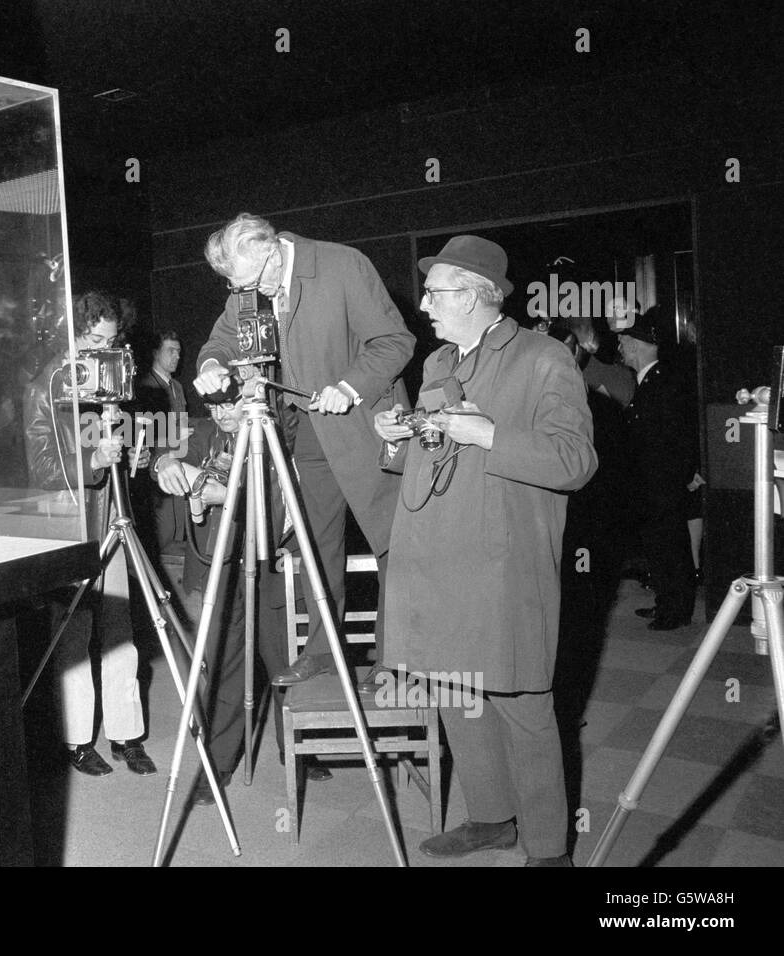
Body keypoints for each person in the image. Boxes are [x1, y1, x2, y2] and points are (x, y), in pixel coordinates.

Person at [374, 236, 597, 866]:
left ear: (476, 295)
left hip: (501, 566)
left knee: (522, 704)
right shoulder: (439, 363)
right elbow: (431, 457)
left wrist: (490, 433)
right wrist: (396, 438)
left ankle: (550, 850)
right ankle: (493, 819)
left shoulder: (543, 358)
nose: (423, 304)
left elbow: (576, 461)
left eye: (436, 292)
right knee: (456, 694)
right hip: (434, 557)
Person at [193, 213, 413, 690]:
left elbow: (396, 340)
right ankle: (323, 650)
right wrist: (211, 364)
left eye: (248, 283)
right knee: (316, 544)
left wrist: (350, 387)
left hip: (365, 424)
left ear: (271, 253)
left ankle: (395, 657)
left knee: (390, 542)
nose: (245, 295)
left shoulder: (342, 265)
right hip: (306, 429)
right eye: (234, 288)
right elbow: (222, 339)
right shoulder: (248, 284)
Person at [151, 382, 332, 805]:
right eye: (212, 408)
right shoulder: (201, 433)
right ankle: (217, 763)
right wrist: (162, 463)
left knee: (281, 657)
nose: (219, 415)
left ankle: (299, 748)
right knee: (223, 664)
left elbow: (291, 499)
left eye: (227, 406)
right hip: (219, 565)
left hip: (270, 562)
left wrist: (232, 496)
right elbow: (153, 450)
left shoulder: (278, 431)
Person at [23, 291, 156, 776]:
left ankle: (126, 735)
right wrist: (94, 463)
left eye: (110, 338)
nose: (104, 346)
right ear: (73, 334)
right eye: (94, 338)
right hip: (73, 526)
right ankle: (77, 741)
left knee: (121, 634)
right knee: (73, 638)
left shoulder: (112, 375)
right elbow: (40, 468)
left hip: (115, 517)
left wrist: (134, 457)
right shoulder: (45, 386)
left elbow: (123, 438)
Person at [617, 307, 698, 630]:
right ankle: (667, 602)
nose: (620, 349)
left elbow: (677, 434)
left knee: (669, 547)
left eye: (623, 343)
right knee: (659, 546)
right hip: (652, 482)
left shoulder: (663, 383)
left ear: (636, 345)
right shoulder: (648, 381)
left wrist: (685, 474)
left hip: (662, 483)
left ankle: (675, 611)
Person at [134, 330, 188, 556]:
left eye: (179, 351)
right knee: (162, 537)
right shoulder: (145, 385)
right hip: (156, 471)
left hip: (178, 463)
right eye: (171, 351)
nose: (176, 356)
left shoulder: (177, 387)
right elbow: (139, 434)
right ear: (156, 353)